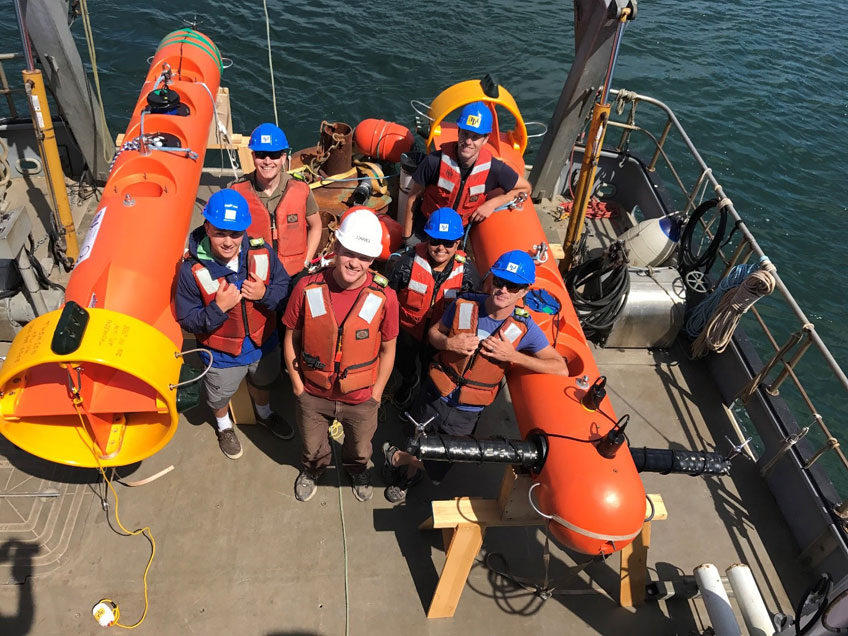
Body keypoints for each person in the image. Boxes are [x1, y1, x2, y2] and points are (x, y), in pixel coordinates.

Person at [383, 249, 568, 503]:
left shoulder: (525, 328)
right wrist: (449, 343)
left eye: (513, 286)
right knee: (416, 435)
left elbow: (560, 367)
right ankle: (407, 476)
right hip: (435, 392)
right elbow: (434, 334)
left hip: (466, 411)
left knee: (445, 458)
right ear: (491, 279)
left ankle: (399, 457)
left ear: (524, 291)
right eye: (499, 281)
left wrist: (514, 356)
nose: (503, 290)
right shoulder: (465, 304)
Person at [282, 207, 399, 503]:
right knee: (311, 445)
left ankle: (356, 470)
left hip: (361, 397)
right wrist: (297, 386)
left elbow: (389, 348)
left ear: (373, 260)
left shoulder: (385, 297)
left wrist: (376, 394)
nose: (355, 263)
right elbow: (291, 337)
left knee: (360, 448)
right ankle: (313, 469)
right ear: (337, 246)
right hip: (313, 392)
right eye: (349, 253)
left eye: (364, 257)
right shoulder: (307, 287)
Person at [176, 188, 293, 460]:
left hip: (264, 344)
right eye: (220, 233)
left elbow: (284, 286)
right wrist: (218, 309)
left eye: (235, 233)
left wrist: (265, 294)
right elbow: (187, 318)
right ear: (207, 227)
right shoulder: (190, 271)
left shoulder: (262, 252)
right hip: (222, 354)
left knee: (263, 381)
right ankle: (224, 426)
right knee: (219, 397)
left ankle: (264, 413)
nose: (228, 242)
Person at [387, 206, 481, 408]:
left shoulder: (467, 275)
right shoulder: (406, 264)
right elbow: (389, 298)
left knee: (431, 371)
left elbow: (471, 313)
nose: (441, 248)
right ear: (427, 239)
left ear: (458, 243)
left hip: (440, 338)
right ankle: (409, 381)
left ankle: (423, 395)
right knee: (403, 363)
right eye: (435, 241)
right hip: (408, 332)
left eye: (448, 243)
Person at [401, 101, 531, 243]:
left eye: (475, 137)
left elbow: (526, 188)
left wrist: (492, 204)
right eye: (465, 134)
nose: (468, 141)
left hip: (456, 236)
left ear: (485, 139)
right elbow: (413, 198)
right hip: (426, 229)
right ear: (458, 132)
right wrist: (407, 238)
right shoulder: (434, 161)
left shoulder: (494, 169)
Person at [229, 123, 323, 278]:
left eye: (274, 155)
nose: (267, 161)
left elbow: (316, 226)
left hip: (293, 273)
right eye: (261, 154)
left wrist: (306, 262)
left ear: (283, 158)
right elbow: (225, 234)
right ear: (253, 156)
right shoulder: (236, 191)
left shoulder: (301, 188)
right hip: (253, 274)